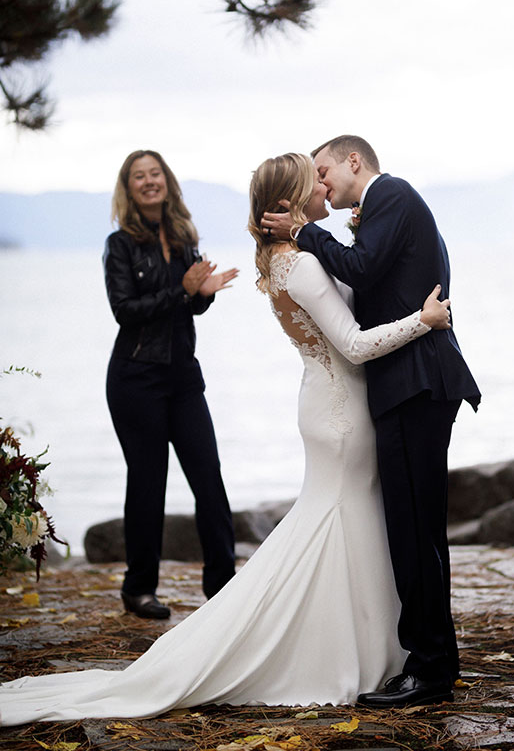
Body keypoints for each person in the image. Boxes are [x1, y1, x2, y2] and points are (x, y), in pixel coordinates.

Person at [0, 152, 452, 724]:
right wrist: (422, 320)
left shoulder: (295, 257)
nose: (323, 184)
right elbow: (355, 345)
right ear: (289, 200)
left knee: (346, 525)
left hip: (331, 404)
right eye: (312, 179)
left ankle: (373, 648)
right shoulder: (302, 264)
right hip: (340, 411)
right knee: (335, 522)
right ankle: (334, 650)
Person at [262, 136, 481, 708]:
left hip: (414, 385)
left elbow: (361, 266)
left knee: (415, 531)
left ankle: (430, 669)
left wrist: (306, 234)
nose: (322, 183)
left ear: (354, 161)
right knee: (419, 531)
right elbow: (372, 279)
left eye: (326, 169)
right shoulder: (385, 209)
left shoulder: (393, 195)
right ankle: (438, 659)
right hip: (409, 385)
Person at [104, 149, 238, 618]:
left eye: (154, 173)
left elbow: (190, 306)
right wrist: (181, 290)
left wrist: (201, 295)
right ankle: (139, 589)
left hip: (182, 376)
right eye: (139, 176)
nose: (148, 182)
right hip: (136, 378)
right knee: (147, 484)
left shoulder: (184, 238)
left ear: (167, 181)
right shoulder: (120, 245)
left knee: (209, 480)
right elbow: (125, 311)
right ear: (130, 188)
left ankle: (224, 586)